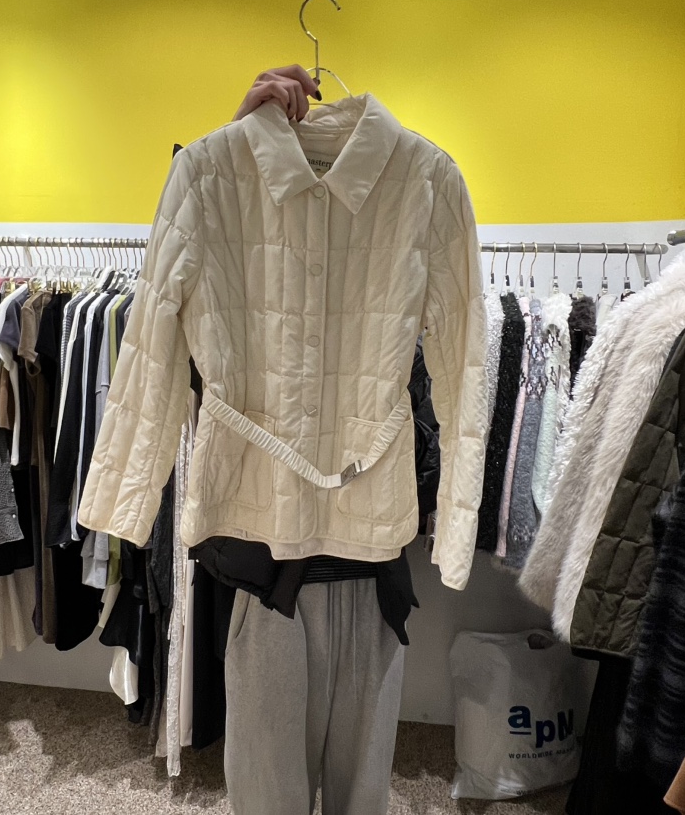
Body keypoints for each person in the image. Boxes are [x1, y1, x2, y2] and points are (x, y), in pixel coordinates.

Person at [189, 65, 420, 815]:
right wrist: (238, 138)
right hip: (268, 573)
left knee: (362, 797)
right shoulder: (221, 186)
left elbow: (458, 366)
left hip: (369, 568)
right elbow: (186, 341)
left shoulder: (417, 186)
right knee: (267, 797)